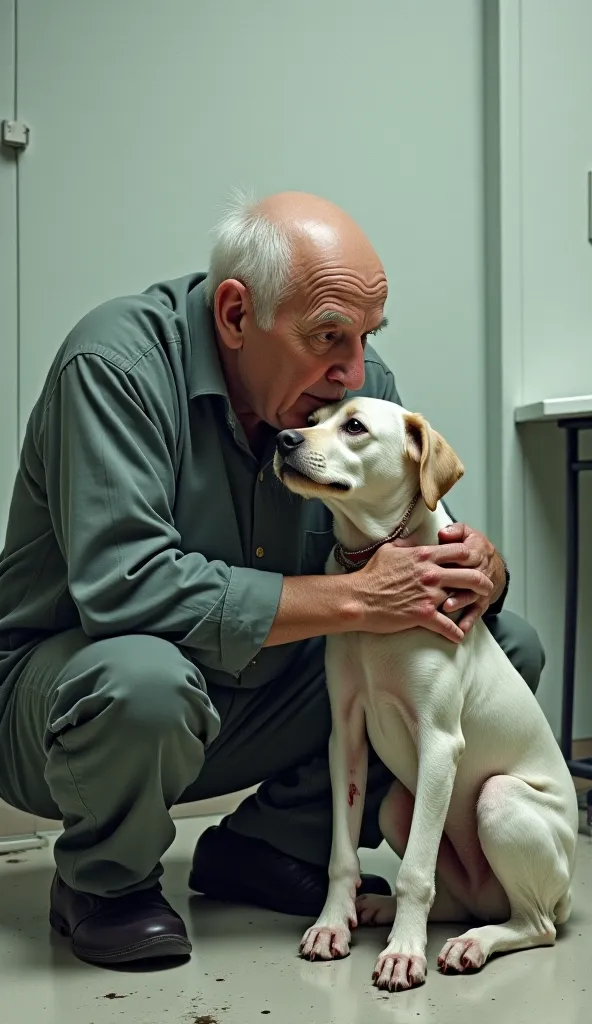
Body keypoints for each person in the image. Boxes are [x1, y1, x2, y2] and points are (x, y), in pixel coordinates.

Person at [0, 192, 544, 966]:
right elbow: (126, 588)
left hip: (248, 692)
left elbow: (414, 537)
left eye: (366, 338)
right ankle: (104, 882)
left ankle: (266, 847)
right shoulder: (115, 365)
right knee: (145, 681)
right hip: (75, 700)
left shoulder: (350, 384)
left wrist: (479, 572)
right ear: (233, 315)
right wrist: (359, 598)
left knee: (499, 651)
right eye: (329, 336)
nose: (355, 369)